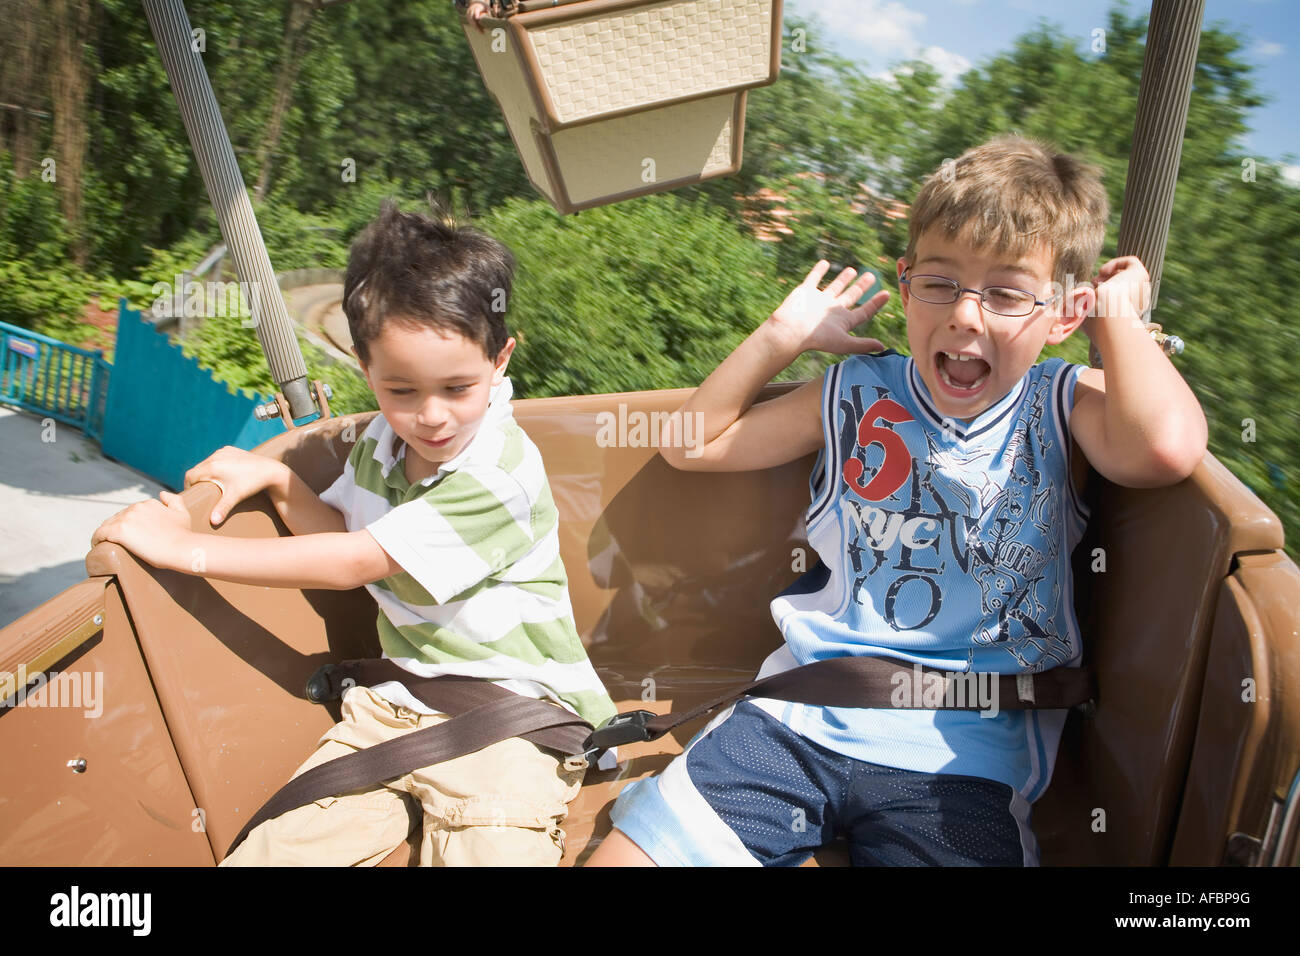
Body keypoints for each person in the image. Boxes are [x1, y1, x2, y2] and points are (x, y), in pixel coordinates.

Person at [587, 135, 1208, 867]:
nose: (966, 317)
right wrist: (781, 339)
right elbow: (690, 443)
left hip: (966, 749)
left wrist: (1121, 317)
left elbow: (1163, 450)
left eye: (1007, 293)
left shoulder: (1062, 405)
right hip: (799, 714)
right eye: (941, 283)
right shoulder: (857, 392)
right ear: (907, 286)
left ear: (1062, 318)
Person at [92, 200, 616, 866]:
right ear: (365, 371)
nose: (431, 417)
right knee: (271, 856)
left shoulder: (499, 473)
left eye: (457, 387)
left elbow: (354, 562)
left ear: (500, 360)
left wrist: (184, 549)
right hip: (394, 705)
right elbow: (344, 528)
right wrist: (282, 483)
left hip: (512, 718)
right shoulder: (378, 443)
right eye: (401, 390)